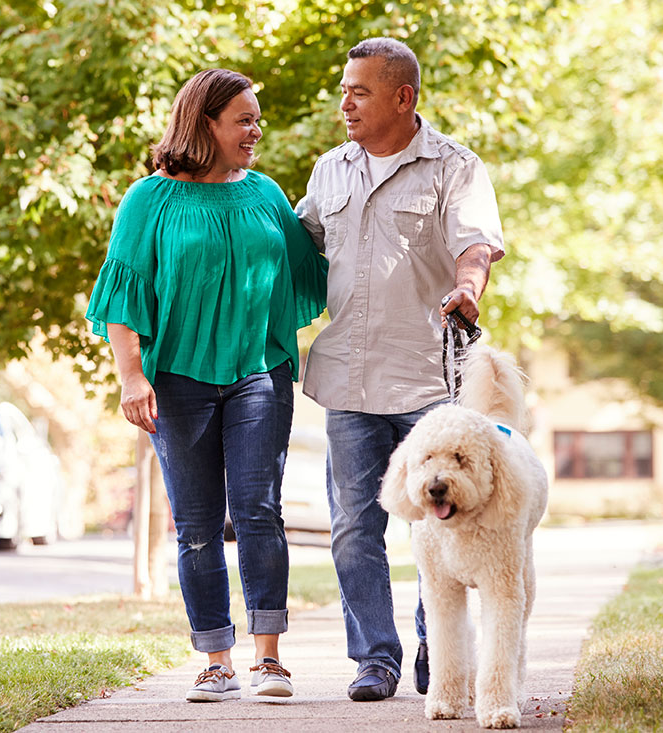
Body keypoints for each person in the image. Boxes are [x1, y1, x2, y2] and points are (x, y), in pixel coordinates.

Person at [86, 68, 328, 703]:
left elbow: (316, 265)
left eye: (256, 118)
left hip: (258, 374)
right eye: (244, 119)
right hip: (177, 383)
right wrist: (131, 374)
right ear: (206, 125)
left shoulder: (267, 195)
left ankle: (269, 657)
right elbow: (122, 293)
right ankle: (216, 658)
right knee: (195, 524)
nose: (256, 129)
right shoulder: (150, 200)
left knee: (258, 510)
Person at [296, 37, 505, 702]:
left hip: (429, 381)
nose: (345, 102)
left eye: (358, 90)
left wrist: (468, 287)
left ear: (403, 97)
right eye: (344, 89)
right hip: (349, 379)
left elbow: (476, 244)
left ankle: (432, 649)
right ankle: (374, 657)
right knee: (354, 522)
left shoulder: (455, 167)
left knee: (436, 521)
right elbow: (297, 244)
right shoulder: (330, 170)